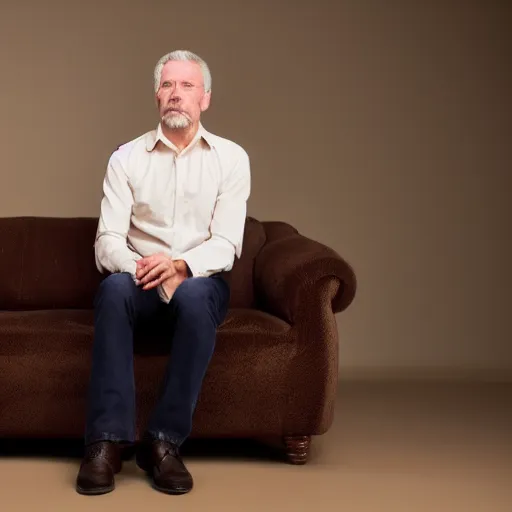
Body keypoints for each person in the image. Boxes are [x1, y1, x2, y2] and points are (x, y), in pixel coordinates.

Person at [75, 49, 251, 496]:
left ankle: (164, 443)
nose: (177, 94)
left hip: (198, 283)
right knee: (113, 290)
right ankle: (106, 444)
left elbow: (228, 242)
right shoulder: (126, 158)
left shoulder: (230, 159)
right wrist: (145, 267)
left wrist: (180, 265)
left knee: (195, 296)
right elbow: (107, 240)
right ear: (157, 96)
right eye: (168, 85)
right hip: (139, 281)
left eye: (187, 86)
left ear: (204, 99)